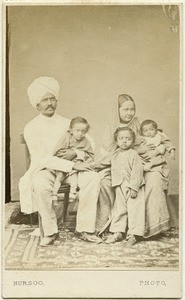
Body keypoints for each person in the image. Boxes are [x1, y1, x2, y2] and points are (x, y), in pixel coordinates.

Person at [19, 76, 101, 246]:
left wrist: (75, 152)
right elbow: (42, 158)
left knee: (93, 179)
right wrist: (72, 163)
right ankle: (50, 231)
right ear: (37, 105)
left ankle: (85, 228)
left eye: (52, 99)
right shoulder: (31, 127)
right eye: (45, 100)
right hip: (45, 169)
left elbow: (89, 142)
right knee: (40, 185)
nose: (50, 103)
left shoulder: (66, 122)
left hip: (71, 170)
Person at [95, 94, 142, 235]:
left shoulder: (137, 125)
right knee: (104, 182)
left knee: (139, 185)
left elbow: (142, 146)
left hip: (135, 165)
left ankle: (134, 227)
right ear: (117, 110)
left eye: (132, 109)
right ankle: (106, 224)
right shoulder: (110, 127)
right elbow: (106, 154)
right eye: (125, 109)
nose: (129, 113)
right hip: (113, 166)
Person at [103, 127, 145, 245]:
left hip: (133, 186)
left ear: (132, 141)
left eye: (128, 139)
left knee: (134, 209)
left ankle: (133, 234)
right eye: (121, 139)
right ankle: (118, 232)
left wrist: (134, 187)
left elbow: (137, 171)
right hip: (119, 185)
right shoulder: (115, 154)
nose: (124, 141)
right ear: (116, 141)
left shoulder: (133, 154)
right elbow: (105, 163)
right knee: (119, 208)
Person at [136, 120, 175, 238]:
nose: (148, 132)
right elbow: (132, 147)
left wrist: (171, 151)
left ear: (156, 130)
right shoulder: (141, 139)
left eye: (151, 130)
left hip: (157, 164)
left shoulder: (160, 136)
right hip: (142, 163)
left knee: (155, 183)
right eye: (145, 131)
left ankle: (158, 225)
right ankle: (141, 225)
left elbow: (168, 144)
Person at [51, 117, 94, 204]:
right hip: (63, 165)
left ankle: (73, 193)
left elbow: (90, 156)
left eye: (83, 131)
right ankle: (54, 194)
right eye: (77, 130)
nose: (80, 134)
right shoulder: (66, 138)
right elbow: (58, 152)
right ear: (71, 130)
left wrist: (78, 156)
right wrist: (67, 158)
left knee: (74, 175)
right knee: (60, 176)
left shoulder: (86, 142)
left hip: (76, 167)